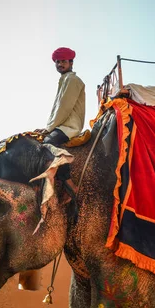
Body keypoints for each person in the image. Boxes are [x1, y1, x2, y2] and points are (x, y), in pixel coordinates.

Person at [36, 47, 86, 203]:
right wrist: (48, 127)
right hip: (61, 123)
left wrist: (48, 129)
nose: (60, 65)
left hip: (69, 126)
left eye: (63, 61)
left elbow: (63, 107)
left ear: (71, 62)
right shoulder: (64, 80)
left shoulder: (72, 80)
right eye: (57, 62)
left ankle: (68, 182)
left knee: (48, 143)